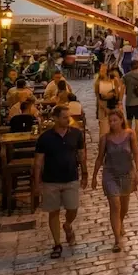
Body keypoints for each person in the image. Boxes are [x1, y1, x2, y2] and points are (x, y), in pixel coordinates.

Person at [33, 105, 87, 259]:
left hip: (71, 177)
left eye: (68, 117)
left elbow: (81, 154)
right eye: (64, 117)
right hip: (51, 180)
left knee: (73, 208)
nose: (68, 120)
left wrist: (85, 173)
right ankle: (57, 244)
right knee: (53, 212)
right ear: (55, 118)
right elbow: (38, 162)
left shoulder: (76, 134)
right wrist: (37, 183)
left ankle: (68, 224)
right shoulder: (45, 138)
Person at [91, 108, 138, 252]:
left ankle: (121, 222)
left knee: (124, 207)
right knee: (115, 205)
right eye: (110, 121)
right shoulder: (105, 139)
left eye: (115, 120)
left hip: (126, 174)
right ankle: (117, 240)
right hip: (110, 175)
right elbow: (100, 158)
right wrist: (94, 176)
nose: (112, 123)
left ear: (121, 120)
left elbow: (136, 153)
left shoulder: (130, 134)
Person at [122, 59, 138, 140]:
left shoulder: (126, 76)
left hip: (129, 102)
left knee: (129, 121)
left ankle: (129, 139)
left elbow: (121, 86)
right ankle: (136, 140)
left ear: (130, 67)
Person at [94, 62, 118, 135]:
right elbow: (97, 96)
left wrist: (112, 94)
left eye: (104, 70)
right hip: (102, 105)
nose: (102, 71)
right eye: (101, 70)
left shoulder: (114, 80)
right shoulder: (98, 82)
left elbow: (117, 94)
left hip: (112, 105)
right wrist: (104, 108)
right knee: (103, 128)